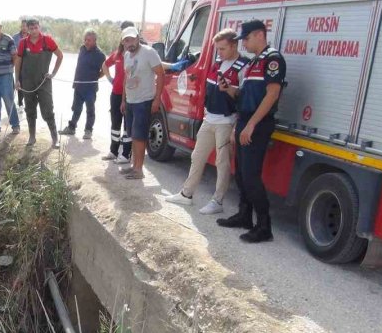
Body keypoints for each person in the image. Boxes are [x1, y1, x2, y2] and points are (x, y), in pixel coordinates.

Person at [165, 29, 249, 214]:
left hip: (226, 122)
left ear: (234, 45)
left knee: (222, 162)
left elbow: (245, 99)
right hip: (209, 119)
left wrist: (235, 123)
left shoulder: (244, 67)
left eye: (222, 49)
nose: (219, 53)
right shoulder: (217, 64)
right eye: (217, 49)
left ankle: (217, 201)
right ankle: (186, 194)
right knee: (197, 156)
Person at [216, 20, 286, 243]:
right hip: (245, 120)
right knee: (242, 174)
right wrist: (228, 89)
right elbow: (244, 97)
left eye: (245, 39)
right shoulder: (253, 62)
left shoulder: (273, 59)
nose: (243, 43)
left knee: (252, 176)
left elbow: (272, 94)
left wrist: (252, 124)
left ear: (259, 35)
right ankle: (244, 215)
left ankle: (264, 227)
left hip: (258, 123)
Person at [118, 26, 164, 180]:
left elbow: (161, 74)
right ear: (123, 43)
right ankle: (134, 166)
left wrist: (157, 99)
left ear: (138, 38)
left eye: (131, 39)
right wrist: (123, 100)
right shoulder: (127, 56)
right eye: (126, 41)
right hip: (130, 101)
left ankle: (139, 169)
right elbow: (126, 78)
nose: (129, 43)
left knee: (140, 136)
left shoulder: (149, 53)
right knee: (132, 135)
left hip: (144, 101)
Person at [15, 19, 63, 148]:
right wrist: (17, 80)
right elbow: (18, 61)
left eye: (36, 28)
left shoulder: (47, 41)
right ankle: (32, 136)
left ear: (39, 27)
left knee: (47, 110)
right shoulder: (23, 43)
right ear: (27, 29)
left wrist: (53, 73)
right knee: (29, 109)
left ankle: (54, 138)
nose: (34, 30)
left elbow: (60, 55)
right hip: (27, 82)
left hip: (43, 81)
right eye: (31, 28)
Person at [59, 29, 106, 140]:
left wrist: (95, 77)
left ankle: (88, 131)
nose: (86, 42)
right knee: (76, 108)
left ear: (95, 40)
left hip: (90, 88)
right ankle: (71, 128)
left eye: (89, 40)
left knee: (90, 110)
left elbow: (104, 71)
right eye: (85, 39)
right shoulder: (82, 49)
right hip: (78, 86)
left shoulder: (100, 55)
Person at [100, 22, 134, 163]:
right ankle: (113, 151)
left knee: (128, 126)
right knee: (115, 124)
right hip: (116, 94)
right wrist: (110, 79)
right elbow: (105, 65)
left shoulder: (136, 53)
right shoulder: (118, 53)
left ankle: (126, 154)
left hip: (130, 95)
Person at [0, 19, 21, 135]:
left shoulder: (8, 39)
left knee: (9, 101)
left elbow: (15, 57)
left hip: (6, 76)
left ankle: (15, 126)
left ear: (0, 27)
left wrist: (15, 76)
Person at [12, 20, 27, 110]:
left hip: (28, 64)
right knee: (19, 82)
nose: (24, 28)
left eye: (25, 26)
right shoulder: (15, 37)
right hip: (18, 63)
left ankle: (26, 101)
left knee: (27, 83)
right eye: (22, 26)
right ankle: (20, 102)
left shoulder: (31, 36)